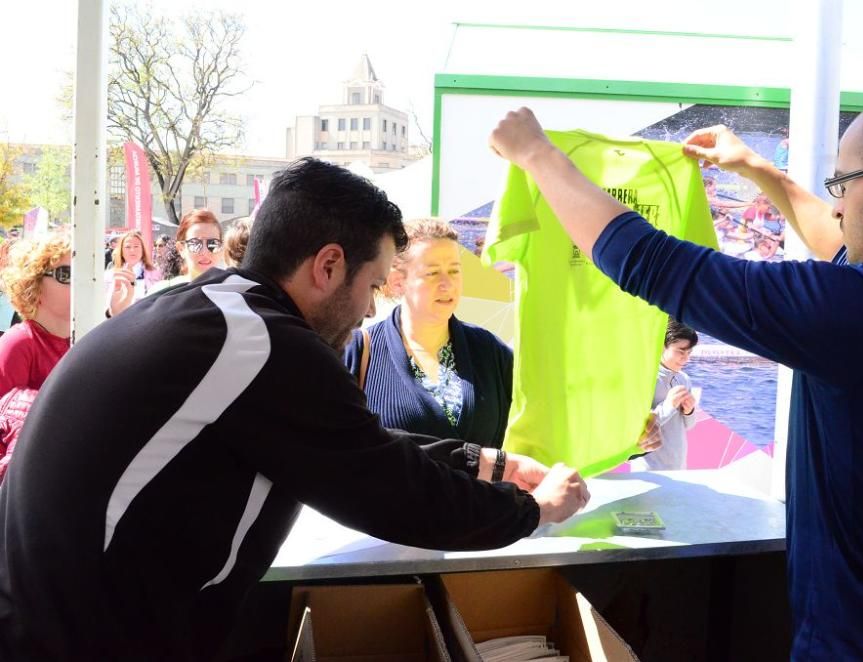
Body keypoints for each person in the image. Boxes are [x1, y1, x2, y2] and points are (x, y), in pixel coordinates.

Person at [0, 157, 589, 661]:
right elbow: (387, 490)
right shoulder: (261, 344)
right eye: (373, 284)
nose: (366, 312)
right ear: (327, 266)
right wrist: (530, 510)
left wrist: (485, 463)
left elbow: (344, 443)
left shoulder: (213, 313)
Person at [488, 87, 863, 659]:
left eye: (842, 185)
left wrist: (535, 153)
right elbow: (847, 244)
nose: (835, 206)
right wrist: (759, 170)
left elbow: (650, 261)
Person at [344, 218, 512, 448]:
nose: (447, 284)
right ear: (397, 281)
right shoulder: (358, 352)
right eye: (432, 273)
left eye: (454, 271)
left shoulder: (490, 351)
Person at [0, 233, 72, 481]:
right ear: (34, 284)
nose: (81, 281)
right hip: (28, 481)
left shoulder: (87, 336)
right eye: (66, 274)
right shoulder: (18, 343)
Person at [634, 320, 698, 471]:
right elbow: (638, 429)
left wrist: (690, 411)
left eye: (689, 353)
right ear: (662, 346)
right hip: (649, 470)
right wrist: (669, 404)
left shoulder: (684, 379)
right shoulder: (645, 379)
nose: (686, 358)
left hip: (679, 466)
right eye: (681, 351)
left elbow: (689, 426)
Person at [153, 208, 225, 291]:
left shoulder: (234, 292)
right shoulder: (162, 292)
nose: (205, 252)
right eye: (195, 244)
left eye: (213, 244)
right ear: (181, 249)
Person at [106, 230, 161, 316]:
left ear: (143, 249)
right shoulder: (110, 275)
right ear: (121, 251)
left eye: (136, 246)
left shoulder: (156, 273)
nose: (132, 250)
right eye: (128, 247)